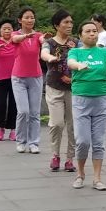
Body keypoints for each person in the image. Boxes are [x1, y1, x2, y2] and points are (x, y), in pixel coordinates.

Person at [67, 21, 106, 190]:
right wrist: (78, 65)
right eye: (88, 31)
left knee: (98, 141)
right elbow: (71, 63)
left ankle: (97, 178)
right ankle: (80, 173)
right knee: (82, 141)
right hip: (81, 100)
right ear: (80, 35)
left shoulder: (104, 51)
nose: (92, 34)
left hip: (101, 99)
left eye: (94, 31)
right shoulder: (75, 52)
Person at [41, 9, 80, 173]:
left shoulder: (76, 42)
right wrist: (50, 57)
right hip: (54, 87)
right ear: (57, 25)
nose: (69, 25)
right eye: (66, 22)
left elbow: (84, 54)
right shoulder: (49, 42)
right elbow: (43, 53)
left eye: (71, 22)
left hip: (74, 88)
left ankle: (70, 158)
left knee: (73, 125)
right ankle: (55, 155)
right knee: (57, 123)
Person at [10, 6, 46, 154]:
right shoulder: (15, 34)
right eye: (27, 17)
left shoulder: (38, 35)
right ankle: (21, 141)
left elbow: (44, 41)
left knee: (34, 112)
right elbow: (15, 39)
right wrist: (26, 36)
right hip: (19, 78)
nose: (30, 20)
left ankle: (34, 143)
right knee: (23, 111)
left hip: (36, 77)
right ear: (20, 20)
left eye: (32, 17)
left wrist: (46, 39)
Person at [0, 20, 17, 141]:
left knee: (13, 104)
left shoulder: (16, 41)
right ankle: (1, 127)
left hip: (15, 77)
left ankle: (13, 129)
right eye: (4, 28)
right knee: (0, 104)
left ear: (13, 30)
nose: (6, 31)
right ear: (0, 30)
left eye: (9, 28)